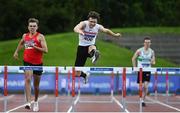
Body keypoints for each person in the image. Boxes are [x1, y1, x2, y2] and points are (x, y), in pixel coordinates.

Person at [74, 11, 121, 83]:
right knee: (77, 73)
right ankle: (85, 75)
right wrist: (79, 31)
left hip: (90, 46)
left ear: (97, 22)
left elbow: (106, 30)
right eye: (91, 21)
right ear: (88, 20)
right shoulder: (84, 23)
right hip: (81, 48)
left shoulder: (98, 26)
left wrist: (115, 35)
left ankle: (94, 54)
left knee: (92, 47)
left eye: (94, 22)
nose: (92, 24)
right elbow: (76, 28)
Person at [13, 18, 48, 111]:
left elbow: (46, 50)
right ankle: (28, 102)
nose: (32, 28)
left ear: (37, 27)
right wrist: (16, 52)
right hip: (27, 61)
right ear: (28, 27)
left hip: (38, 63)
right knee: (28, 79)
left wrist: (35, 47)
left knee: (36, 86)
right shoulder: (25, 36)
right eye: (31, 26)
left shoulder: (40, 37)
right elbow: (21, 43)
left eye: (34, 26)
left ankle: (36, 101)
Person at [132, 36, 155, 107]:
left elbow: (154, 61)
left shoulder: (152, 51)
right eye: (146, 42)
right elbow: (133, 58)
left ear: (150, 43)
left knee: (146, 86)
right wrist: (135, 68)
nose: (147, 44)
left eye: (148, 42)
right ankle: (141, 99)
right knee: (141, 87)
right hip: (141, 71)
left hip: (148, 70)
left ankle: (143, 100)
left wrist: (151, 61)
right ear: (144, 43)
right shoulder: (139, 51)